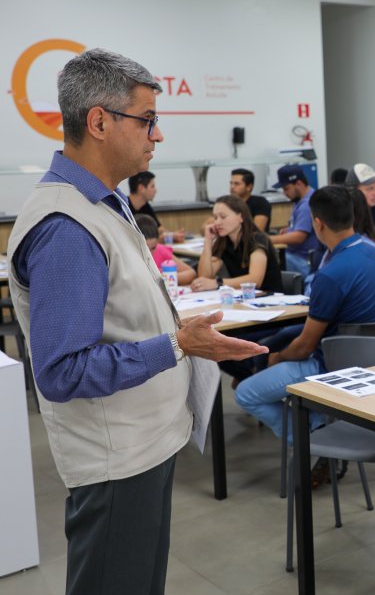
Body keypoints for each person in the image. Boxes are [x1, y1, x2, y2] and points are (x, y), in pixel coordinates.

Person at [6, 48, 266, 595]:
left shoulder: (105, 203)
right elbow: (63, 371)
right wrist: (176, 345)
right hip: (115, 460)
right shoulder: (66, 227)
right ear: (99, 121)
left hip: (143, 442)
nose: (158, 136)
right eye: (147, 120)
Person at [234, 185, 375, 442]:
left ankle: (309, 436)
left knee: (245, 393)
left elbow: (304, 348)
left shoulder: (332, 273)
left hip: (332, 364)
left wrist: (277, 358)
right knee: (283, 341)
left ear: (318, 223)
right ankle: (317, 422)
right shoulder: (373, 251)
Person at [191, 195, 282, 293]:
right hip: (244, 299)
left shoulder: (257, 239)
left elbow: (255, 280)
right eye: (215, 217)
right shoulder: (224, 241)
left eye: (223, 217)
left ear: (241, 217)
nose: (217, 222)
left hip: (270, 299)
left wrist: (218, 283)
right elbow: (205, 277)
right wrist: (208, 242)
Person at [270, 164, 320, 279]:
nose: (284, 193)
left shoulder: (306, 204)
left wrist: (269, 239)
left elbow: (299, 237)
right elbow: (303, 227)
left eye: (286, 188)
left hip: (302, 261)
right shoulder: (299, 201)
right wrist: (290, 230)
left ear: (298, 184)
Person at [135, 214, 196, 285]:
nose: (150, 254)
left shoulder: (160, 250)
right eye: (146, 249)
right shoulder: (127, 257)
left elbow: (191, 273)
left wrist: (165, 278)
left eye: (153, 248)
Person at [230, 168, 271, 232]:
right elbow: (212, 221)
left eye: (237, 184)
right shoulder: (228, 203)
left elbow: (256, 231)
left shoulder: (260, 203)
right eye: (231, 183)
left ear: (249, 187)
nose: (232, 187)